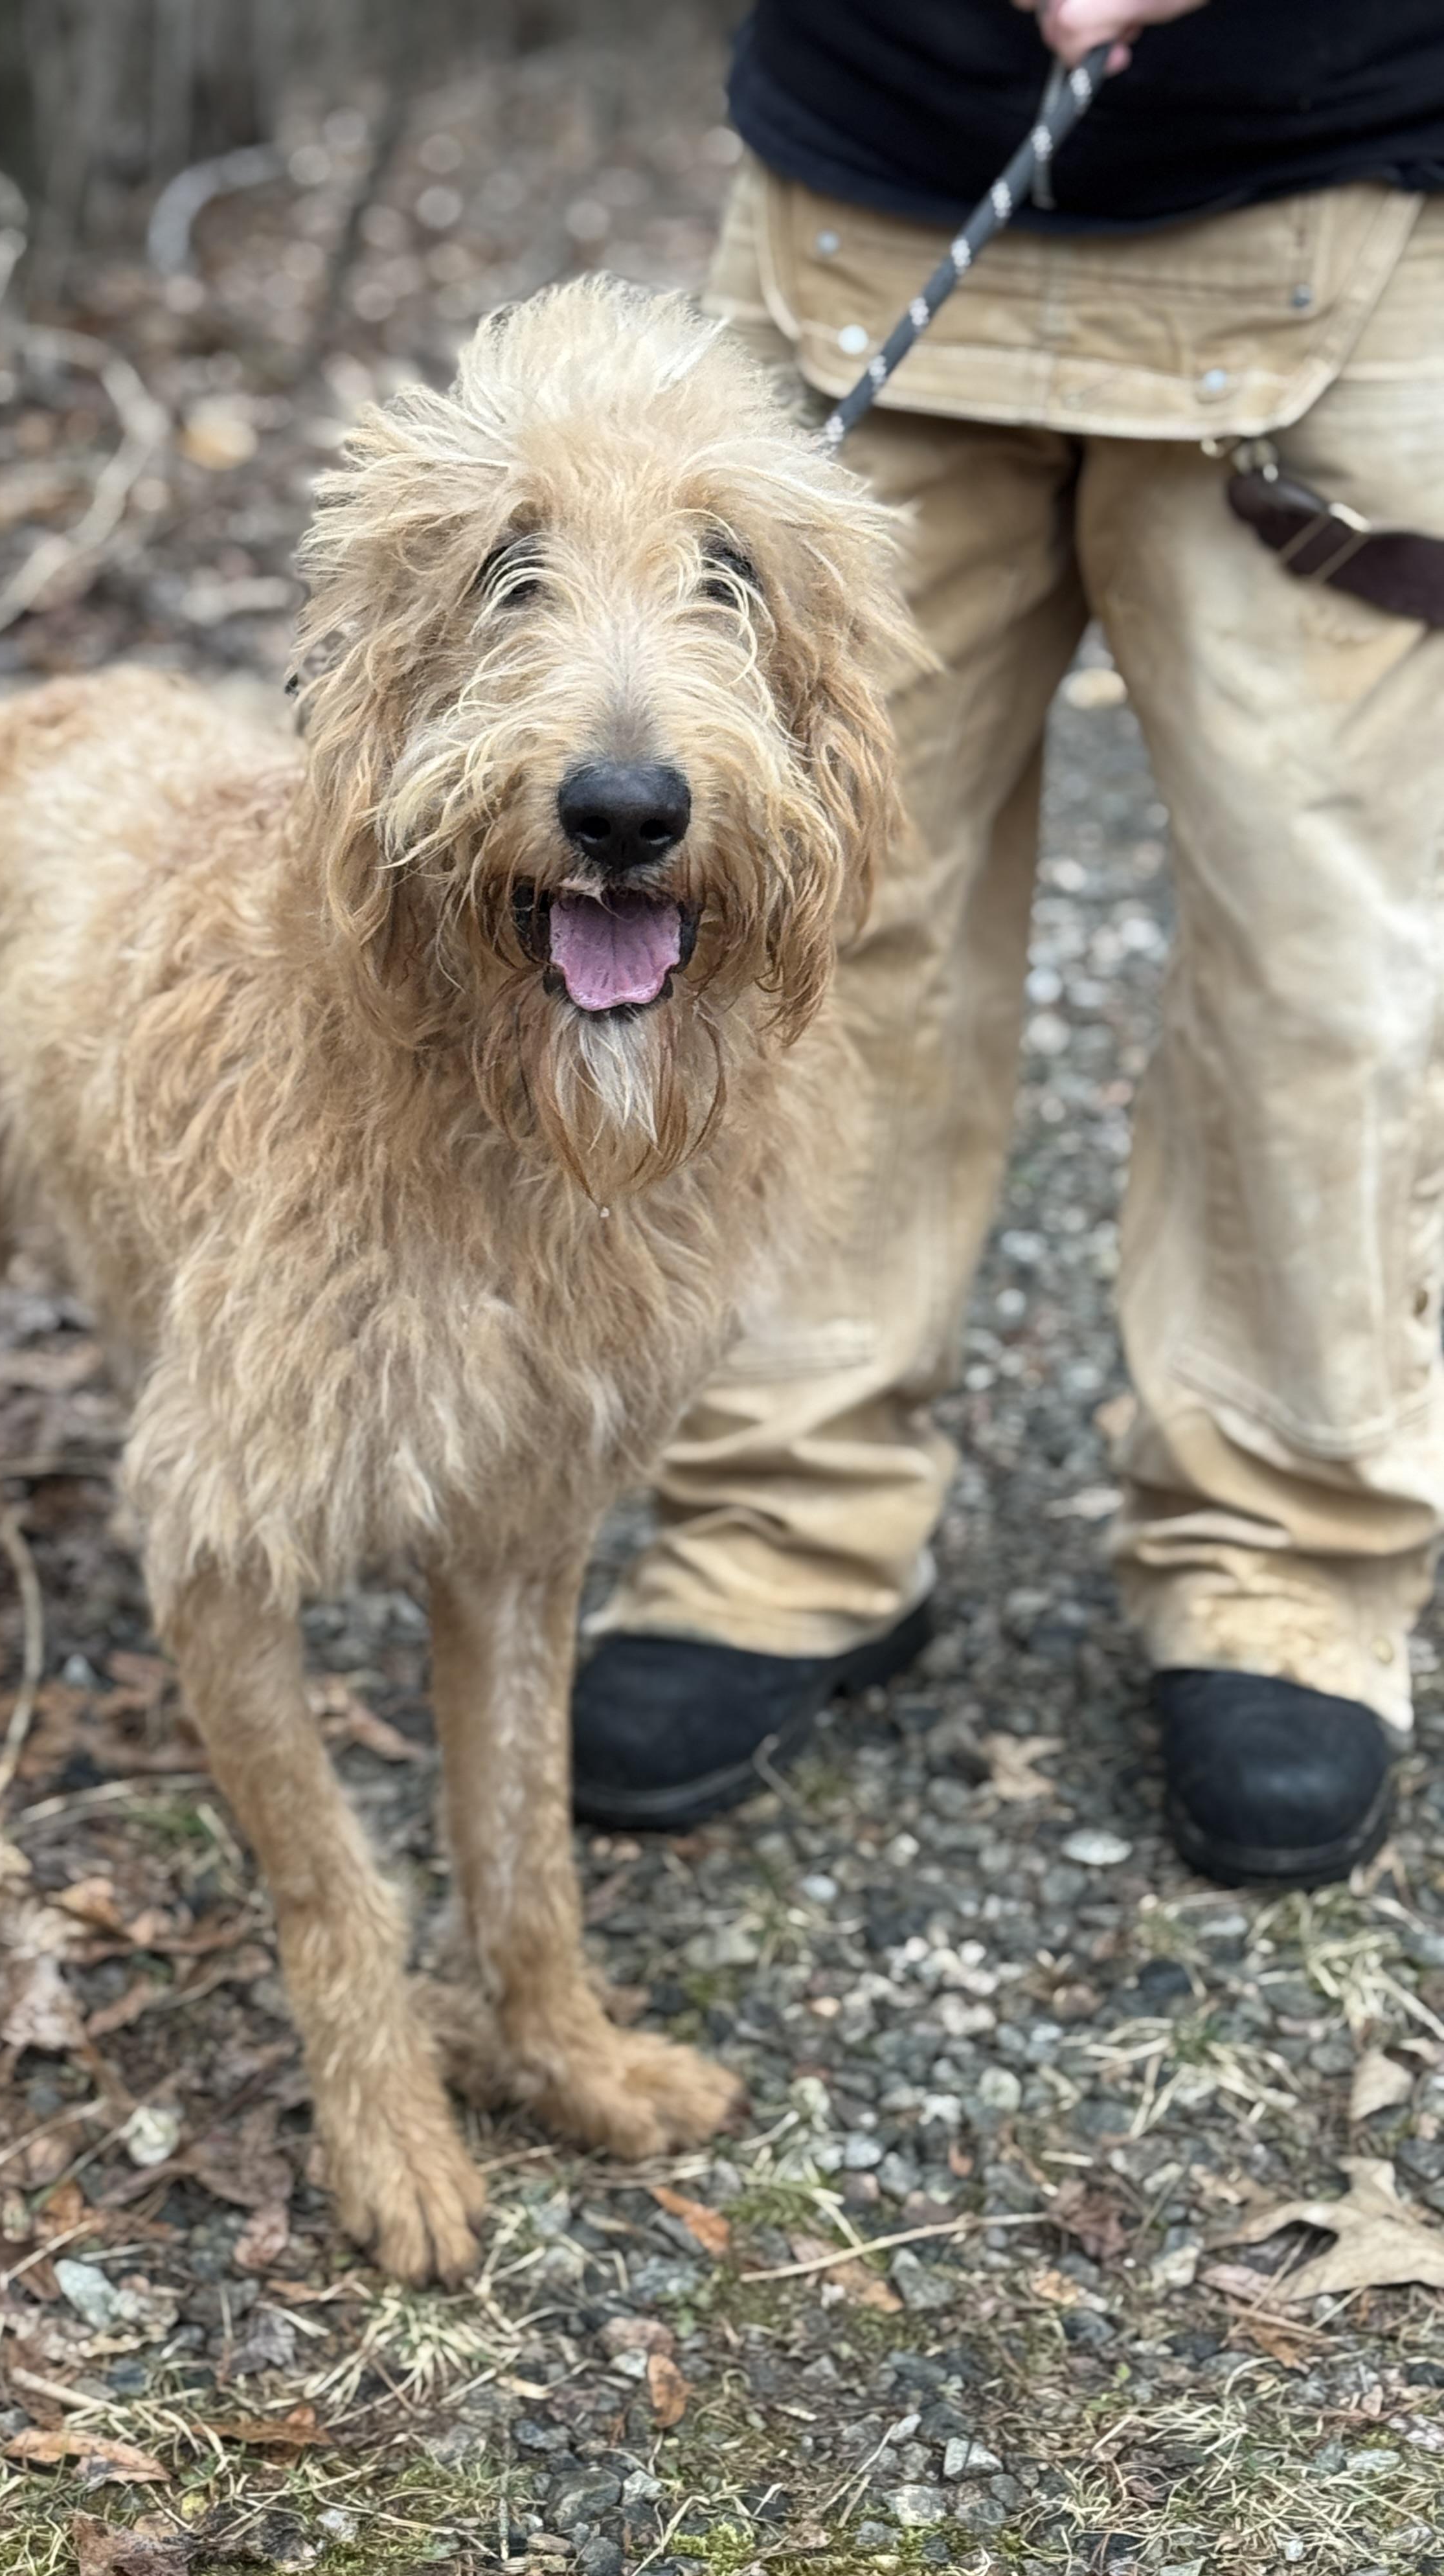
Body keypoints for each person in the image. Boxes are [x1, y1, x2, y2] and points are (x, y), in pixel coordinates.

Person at [570, 0, 1444, 1887]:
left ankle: (1287, 1559)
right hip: (864, 186)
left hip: (1348, 205)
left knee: (1320, 965)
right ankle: (781, 1517)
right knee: (794, 919)